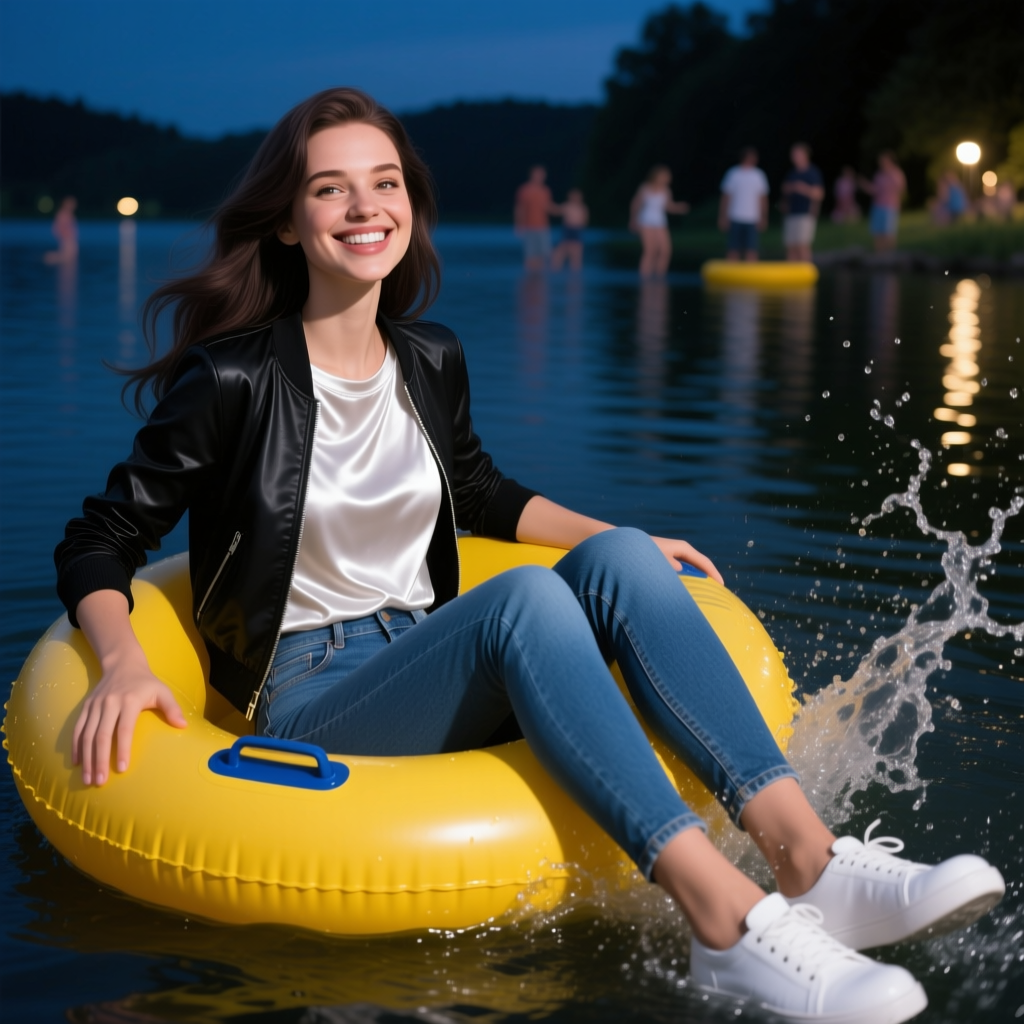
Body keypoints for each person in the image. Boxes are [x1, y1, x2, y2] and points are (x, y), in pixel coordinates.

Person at [57, 88, 1005, 1024]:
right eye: (330, 190)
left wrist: (616, 542)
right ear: (288, 223)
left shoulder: (429, 357)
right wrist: (125, 659)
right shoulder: (232, 378)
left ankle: (812, 861)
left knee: (626, 556)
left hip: (423, 650)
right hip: (313, 694)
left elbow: (478, 491)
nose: (364, 208)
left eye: (384, 183)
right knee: (524, 603)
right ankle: (724, 926)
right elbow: (103, 537)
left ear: (411, 207)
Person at [629, 165, 689, 277]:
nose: (667, 178)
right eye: (664, 175)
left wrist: (679, 208)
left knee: (665, 251)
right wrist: (633, 220)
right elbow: (635, 204)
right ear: (656, 176)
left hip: (660, 222)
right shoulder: (645, 188)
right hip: (645, 221)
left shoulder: (666, 190)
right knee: (650, 250)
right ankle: (644, 276)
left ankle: (659, 275)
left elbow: (669, 206)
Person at [718, 147, 769, 262]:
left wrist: (763, 217)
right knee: (733, 249)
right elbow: (726, 197)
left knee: (752, 249)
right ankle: (731, 277)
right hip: (735, 216)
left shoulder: (758, 175)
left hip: (752, 218)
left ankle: (751, 277)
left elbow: (762, 198)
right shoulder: (733, 173)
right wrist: (723, 216)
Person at [781, 143, 824, 262]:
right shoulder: (792, 173)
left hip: (805, 213)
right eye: (793, 154)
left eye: (797, 153)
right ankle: (791, 276)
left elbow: (819, 194)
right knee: (791, 246)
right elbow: (785, 191)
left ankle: (805, 273)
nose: (794, 156)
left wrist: (802, 188)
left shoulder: (812, 172)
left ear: (805, 155)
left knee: (802, 245)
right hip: (791, 213)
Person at [859, 152, 906, 253]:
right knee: (877, 232)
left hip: (890, 207)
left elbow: (901, 189)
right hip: (877, 206)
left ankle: (891, 255)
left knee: (889, 233)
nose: (881, 163)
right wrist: (864, 185)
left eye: (884, 160)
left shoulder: (896, 173)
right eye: (880, 161)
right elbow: (874, 190)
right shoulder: (879, 175)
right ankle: (879, 256)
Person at [514, 165, 556, 271]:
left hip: (543, 228)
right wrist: (519, 225)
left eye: (542, 174)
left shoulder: (545, 190)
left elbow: (549, 207)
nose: (540, 177)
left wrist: (566, 210)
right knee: (530, 257)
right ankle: (529, 282)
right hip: (529, 227)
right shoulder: (525, 190)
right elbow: (520, 208)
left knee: (544, 256)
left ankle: (540, 283)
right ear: (531, 175)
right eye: (537, 174)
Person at [551, 188, 589, 271]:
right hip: (568, 230)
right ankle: (555, 270)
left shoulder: (583, 208)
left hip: (577, 231)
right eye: (573, 196)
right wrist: (547, 205)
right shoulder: (567, 206)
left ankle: (575, 274)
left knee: (576, 254)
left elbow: (585, 221)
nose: (575, 198)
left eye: (577, 196)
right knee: (559, 253)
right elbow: (555, 211)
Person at [43, 196, 79, 265]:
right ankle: (49, 258)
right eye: (71, 203)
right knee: (67, 258)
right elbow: (56, 228)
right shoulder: (62, 214)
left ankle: (50, 258)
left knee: (70, 257)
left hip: (70, 239)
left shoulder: (69, 214)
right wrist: (66, 236)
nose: (73, 205)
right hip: (67, 239)